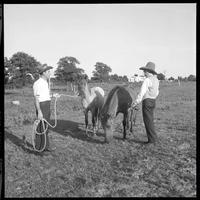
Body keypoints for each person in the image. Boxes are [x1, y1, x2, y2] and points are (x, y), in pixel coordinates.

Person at [131, 62, 159, 144]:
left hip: (147, 102)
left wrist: (135, 103)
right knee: (150, 120)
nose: (144, 73)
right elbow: (157, 92)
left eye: (145, 71)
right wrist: (152, 97)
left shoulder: (147, 80)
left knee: (147, 121)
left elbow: (141, 93)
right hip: (153, 101)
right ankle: (154, 138)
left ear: (149, 71)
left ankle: (151, 141)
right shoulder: (156, 80)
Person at [33, 64, 57, 152]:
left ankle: (46, 146)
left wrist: (53, 95)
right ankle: (39, 148)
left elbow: (45, 96)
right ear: (43, 73)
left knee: (46, 127)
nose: (50, 73)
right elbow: (36, 99)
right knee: (40, 127)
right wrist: (39, 111)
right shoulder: (37, 83)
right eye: (48, 72)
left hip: (47, 104)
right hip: (42, 106)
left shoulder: (45, 83)